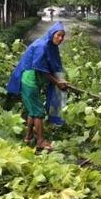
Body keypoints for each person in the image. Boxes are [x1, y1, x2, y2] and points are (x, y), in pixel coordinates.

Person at [7, 22, 67, 151]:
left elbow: (53, 65)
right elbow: (41, 69)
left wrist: (60, 79)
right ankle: (40, 141)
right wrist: (57, 83)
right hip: (30, 81)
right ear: (52, 34)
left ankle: (28, 138)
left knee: (32, 112)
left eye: (63, 36)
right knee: (38, 112)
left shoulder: (50, 45)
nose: (61, 39)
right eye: (58, 35)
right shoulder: (42, 46)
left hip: (33, 81)